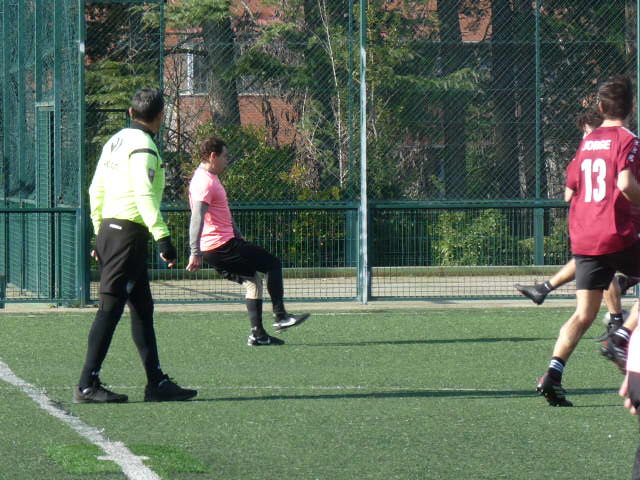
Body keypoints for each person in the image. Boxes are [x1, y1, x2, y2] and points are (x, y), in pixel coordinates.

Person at [74, 88, 197, 403]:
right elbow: (143, 194)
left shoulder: (115, 141)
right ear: (160, 116)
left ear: (131, 113)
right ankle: (86, 384)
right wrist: (163, 238)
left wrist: (99, 231)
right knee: (110, 308)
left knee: (142, 308)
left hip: (112, 230)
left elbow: (95, 189)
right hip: (128, 234)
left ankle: (156, 382)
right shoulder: (144, 146)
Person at [536, 76, 640, 407]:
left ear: (600, 107)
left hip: (584, 235)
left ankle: (552, 375)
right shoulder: (629, 140)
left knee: (583, 314)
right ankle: (621, 336)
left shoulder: (588, 142)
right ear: (632, 106)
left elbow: (570, 192)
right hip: (615, 233)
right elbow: (625, 184)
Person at [515, 109, 638, 338]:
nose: (585, 136)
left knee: (599, 261)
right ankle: (617, 323)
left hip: (613, 224)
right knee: (599, 264)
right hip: (610, 225)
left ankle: (619, 327)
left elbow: (568, 194)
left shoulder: (598, 150)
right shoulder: (621, 147)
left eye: (587, 131)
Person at [186, 136, 309, 346]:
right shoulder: (205, 182)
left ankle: (258, 335)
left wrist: (237, 233)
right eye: (225, 157)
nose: (227, 161)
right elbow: (197, 217)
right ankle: (281, 316)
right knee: (272, 264)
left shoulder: (208, 177)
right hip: (221, 246)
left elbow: (221, 213)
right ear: (213, 156)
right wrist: (194, 251)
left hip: (220, 245)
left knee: (253, 281)